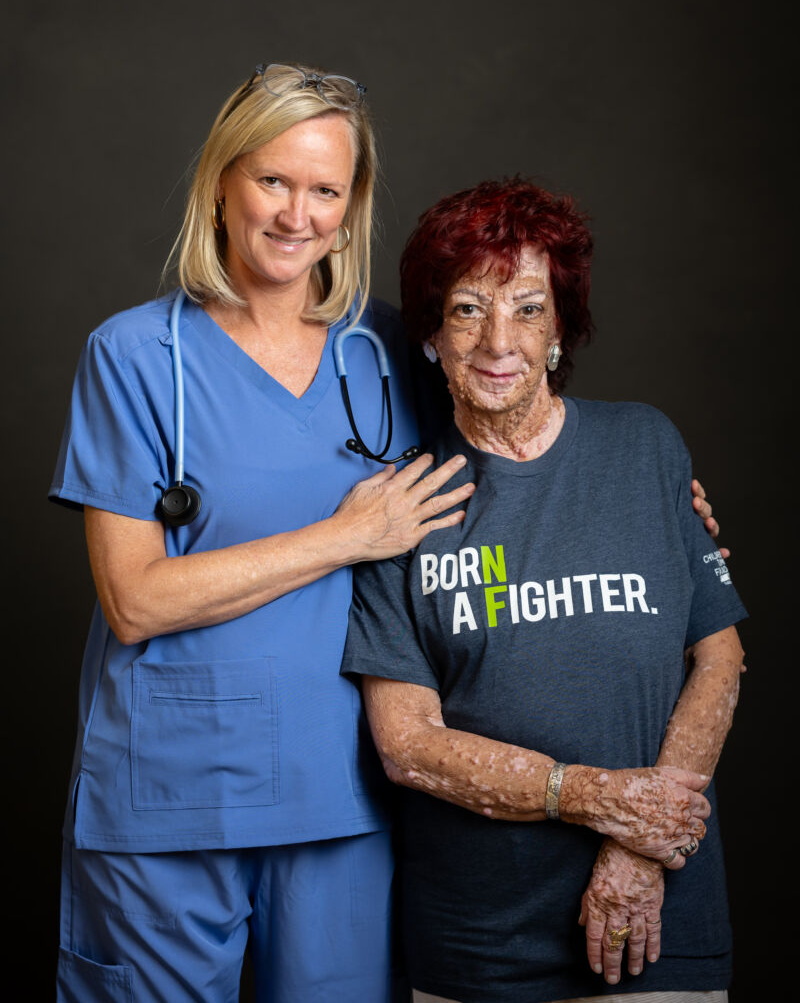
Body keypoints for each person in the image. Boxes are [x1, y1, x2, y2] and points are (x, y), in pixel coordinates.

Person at [49, 62, 476, 1003]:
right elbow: (134, 599)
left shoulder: (397, 350)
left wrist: (653, 501)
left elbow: (517, 458)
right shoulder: (136, 357)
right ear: (221, 181)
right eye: (272, 180)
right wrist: (342, 535)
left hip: (345, 795)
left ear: (351, 204)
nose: (296, 215)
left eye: (325, 189)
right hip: (168, 801)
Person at [342, 177, 745, 1003]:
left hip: (660, 920)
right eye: (466, 309)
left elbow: (719, 657)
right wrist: (598, 798)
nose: (499, 340)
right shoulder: (401, 508)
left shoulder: (645, 447)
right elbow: (408, 745)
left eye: (528, 308)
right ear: (429, 335)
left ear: (561, 326)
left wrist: (638, 847)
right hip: (477, 942)